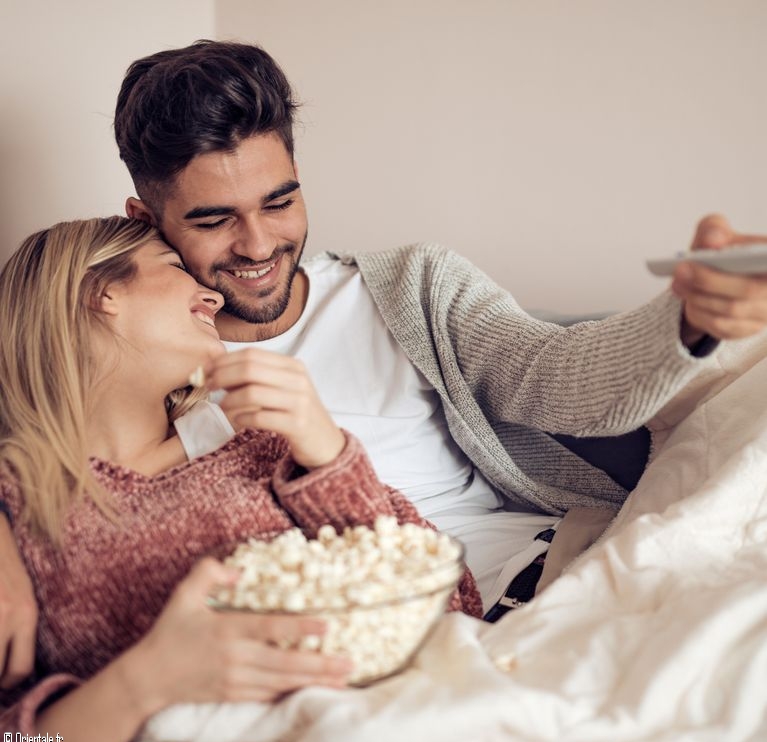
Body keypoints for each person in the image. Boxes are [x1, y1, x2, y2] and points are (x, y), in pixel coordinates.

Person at [3, 39, 767, 686]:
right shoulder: (151, 369)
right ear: (147, 220)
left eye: (279, 202)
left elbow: (563, 375)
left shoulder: (409, 287)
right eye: (213, 219)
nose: (260, 244)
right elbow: (55, 434)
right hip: (386, 648)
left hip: (542, 575)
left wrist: (689, 320)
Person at [0, 216, 482, 742]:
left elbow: (454, 598)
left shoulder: (259, 447)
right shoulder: (18, 517)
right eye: (178, 268)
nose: (211, 296)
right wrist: (143, 681)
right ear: (100, 292)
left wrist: (328, 454)